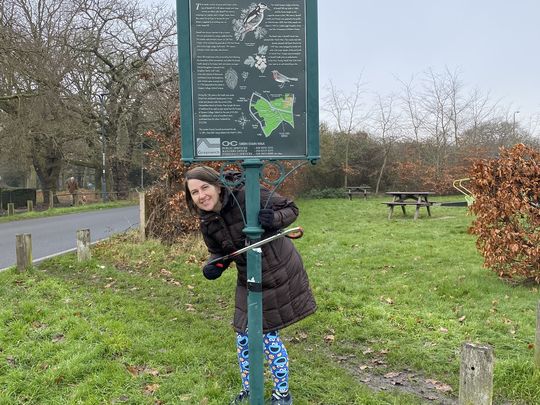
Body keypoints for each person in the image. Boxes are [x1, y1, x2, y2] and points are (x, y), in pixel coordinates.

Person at [184, 166, 316, 405]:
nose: (201, 195)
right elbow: (218, 252)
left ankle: (282, 394)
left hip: (277, 271)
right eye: (194, 192)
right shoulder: (207, 221)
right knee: (243, 336)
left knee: (267, 336)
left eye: (205, 187)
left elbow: (291, 209)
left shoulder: (248, 194)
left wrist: (273, 219)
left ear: (218, 185)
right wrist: (215, 265)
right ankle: (250, 387)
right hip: (248, 276)